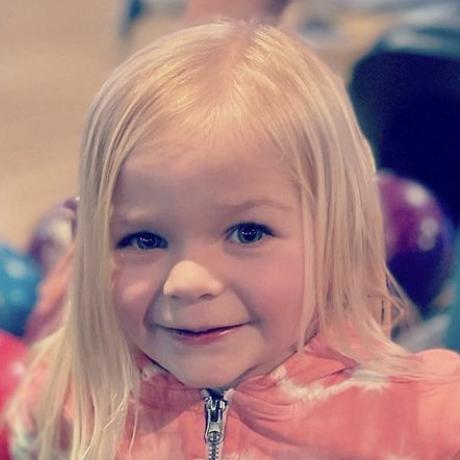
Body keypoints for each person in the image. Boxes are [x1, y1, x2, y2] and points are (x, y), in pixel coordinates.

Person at [6, 21, 460, 460]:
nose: (186, 282)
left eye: (247, 233)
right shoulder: (73, 402)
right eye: (143, 239)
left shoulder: (427, 422)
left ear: (337, 235)